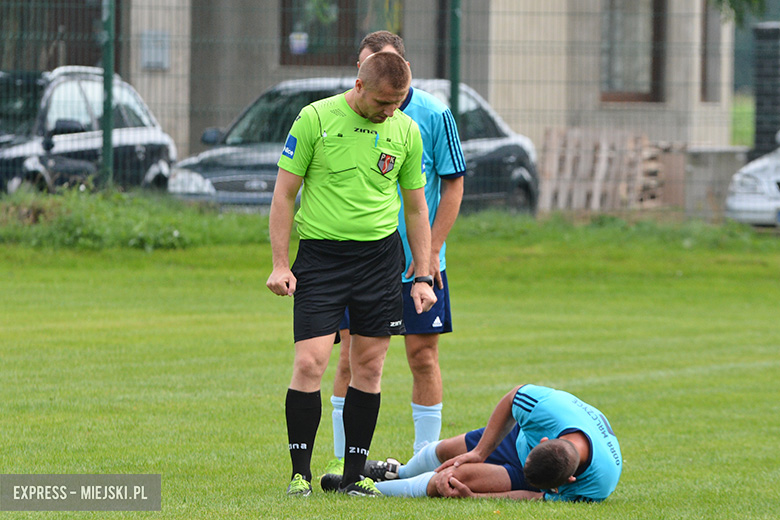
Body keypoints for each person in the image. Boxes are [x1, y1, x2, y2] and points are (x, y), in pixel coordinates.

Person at [266, 51, 438, 497]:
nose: (390, 111)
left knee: (370, 365)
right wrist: (281, 264)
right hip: (322, 259)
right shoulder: (314, 119)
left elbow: (416, 206)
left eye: (398, 102)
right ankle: (299, 474)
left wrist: (422, 274)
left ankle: (353, 475)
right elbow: (285, 195)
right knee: (311, 362)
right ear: (359, 85)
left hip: (380, 261)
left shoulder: (406, 130)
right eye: (383, 102)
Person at [325, 30, 466, 478]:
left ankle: (425, 460)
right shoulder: (337, 115)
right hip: (357, 262)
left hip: (417, 266)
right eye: (365, 68)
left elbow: (452, 183)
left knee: (422, 356)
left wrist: (431, 255)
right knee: (349, 358)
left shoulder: (433, 113)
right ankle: (344, 459)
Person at [351, 384, 623, 503]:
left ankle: (370, 491)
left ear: (570, 480)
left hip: (541, 467)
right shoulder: (547, 408)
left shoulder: (597, 486)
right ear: (544, 440)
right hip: (516, 438)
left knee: (453, 479)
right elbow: (512, 397)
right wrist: (481, 452)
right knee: (445, 450)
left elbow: (539, 497)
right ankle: (400, 472)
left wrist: (476, 497)